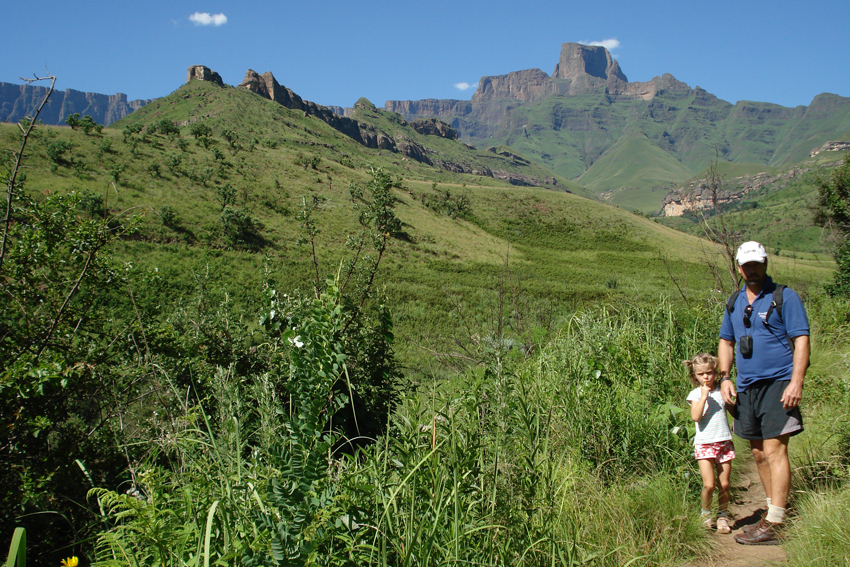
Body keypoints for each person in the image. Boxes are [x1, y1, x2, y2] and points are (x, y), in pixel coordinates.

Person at [718, 241, 810, 545]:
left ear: (766, 263)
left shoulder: (785, 297)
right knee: (758, 453)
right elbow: (726, 342)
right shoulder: (733, 302)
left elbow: (801, 340)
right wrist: (724, 378)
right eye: (747, 266)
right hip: (746, 387)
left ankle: (776, 521)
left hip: (778, 383)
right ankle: (775, 512)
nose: (752, 270)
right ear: (738, 267)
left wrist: (796, 382)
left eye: (757, 264)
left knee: (774, 450)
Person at [685, 353, 736, 534]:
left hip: (723, 441)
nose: (706, 377)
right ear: (695, 376)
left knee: (725, 484)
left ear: (716, 372)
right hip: (705, 444)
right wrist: (704, 397)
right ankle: (705, 514)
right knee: (709, 485)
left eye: (709, 372)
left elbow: (733, 410)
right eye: (701, 374)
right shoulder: (696, 394)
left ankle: (722, 516)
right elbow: (695, 417)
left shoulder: (722, 390)